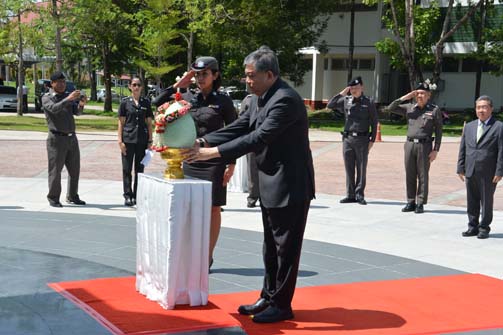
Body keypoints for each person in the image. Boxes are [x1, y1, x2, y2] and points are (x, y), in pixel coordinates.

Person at [186, 46, 315, 323]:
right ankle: (268, 297)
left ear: (269, 74)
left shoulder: (285, 100)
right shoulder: (259, 97)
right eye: (246, 76)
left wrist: (214, 153)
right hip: (271, 183)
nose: (247, 80)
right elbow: (242, 126)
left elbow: (258, 138)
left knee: (285, 250)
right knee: (270, 246)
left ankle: (281, 305)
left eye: (250, 75)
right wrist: (204, 141)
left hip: (290, 186)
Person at [154, 56, 237, 266]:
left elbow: (235, 132)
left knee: (213, 208)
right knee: (190, 208)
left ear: (215, 75)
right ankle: (192, 251)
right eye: (197, 74)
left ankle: (206, 256)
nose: (200, 78)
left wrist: (231, 163)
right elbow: (155, 103)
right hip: (190, 159)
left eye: (204, 74)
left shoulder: (223, 101)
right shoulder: (187, 98)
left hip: (213, 160)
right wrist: (179, 85)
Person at [386, 82, 443, 214]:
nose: (420, 96)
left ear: (428, 95)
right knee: (410, 174)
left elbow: (439, 131)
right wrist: (405, 97)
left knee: (423, 175)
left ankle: (420, 203)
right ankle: (410, 201)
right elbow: (390, 108)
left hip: (425, 145)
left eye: (423, 93)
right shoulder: (409, 108)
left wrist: (436, 150)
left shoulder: (434, 110)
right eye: (418, 93)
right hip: (410, 145)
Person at [457, 96, 503, 239]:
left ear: (491, 109)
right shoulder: (469, 126)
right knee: (472, 200)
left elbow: (502, 150)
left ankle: (484, 227)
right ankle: (473, 226)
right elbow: (463, 147)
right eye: (478, 107)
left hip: (488, 171)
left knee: (486, 201)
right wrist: (460, 167)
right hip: (470, 169)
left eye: (484, 107)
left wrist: (500, 171)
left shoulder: (499, 127)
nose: (481, 110)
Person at [327, 76, 378, 205]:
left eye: (356, 88)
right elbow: (330, 104)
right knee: (349, 167)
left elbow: (374, 122)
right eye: (352, 88)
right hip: (348, 138)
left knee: (361, 167)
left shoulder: (369, 102)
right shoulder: (346, 100)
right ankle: (350, 194)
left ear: (362, 87)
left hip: (362, 139)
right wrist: (344, 92)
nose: (354, 90)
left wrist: (372, 140)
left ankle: (359, 194)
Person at [42, 71, 87, 207]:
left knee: (74, 169)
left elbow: (77, 112)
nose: (62, 85)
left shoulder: (67, 96)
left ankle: (73, 195)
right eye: (59, 82)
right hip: (56, 139)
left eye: (64, 82)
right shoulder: (47, 98)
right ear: (52, 84)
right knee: (55, 171)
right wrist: (68, 99)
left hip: (71, 138)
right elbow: (54, 109)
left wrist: (81, 104)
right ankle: (53, 198)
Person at [117, 77, 153, 206]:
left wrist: (150, 140)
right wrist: (120, 141)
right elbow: (121, 123)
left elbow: (149, 123)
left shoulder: (146, 103)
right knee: (127, 169)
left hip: (142, 141)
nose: (136, 87)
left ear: (142, 87)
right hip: (128, 140)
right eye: (134, 85)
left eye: (138, 85)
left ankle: (138, 194)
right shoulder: (125, 103)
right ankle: (128, 195)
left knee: (140, 169)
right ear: (130, 86)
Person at [239, 94, 260, 208]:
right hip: (252, 139)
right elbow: (242, 118)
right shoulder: (248, 99)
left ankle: (265, 196)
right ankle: (253, 197)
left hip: (269, 139)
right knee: (252, 169)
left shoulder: (273, 98)